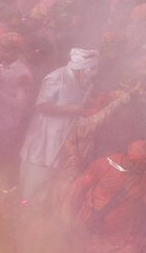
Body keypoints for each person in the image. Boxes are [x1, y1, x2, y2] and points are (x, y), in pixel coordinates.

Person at [19, 48, 99, 201]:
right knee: (36, 179)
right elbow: (41, 105)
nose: (91, 76)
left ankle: (44, 210)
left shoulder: (84, 82)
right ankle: (28, 207)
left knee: (54, 183)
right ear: (81, 68)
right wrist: (70, 110)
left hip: (64, 138)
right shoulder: (56, 78)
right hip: (45, 139)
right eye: (89, 71)